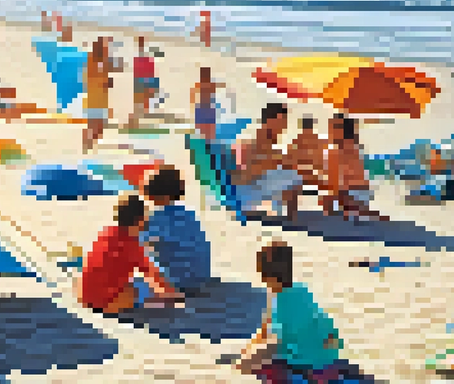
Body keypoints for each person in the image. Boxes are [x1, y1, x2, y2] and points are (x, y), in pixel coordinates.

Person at [234, 240, 349, 383]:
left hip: (306, 357)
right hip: (327, 351)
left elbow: (277, 339)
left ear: (271, 278)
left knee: (247, 364)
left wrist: (251, 353)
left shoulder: (282, 303)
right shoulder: (300, 289)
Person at [76, 194, 184, 314]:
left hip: (84, 296)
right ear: (140, 220)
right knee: (134, 291)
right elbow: (152, 272)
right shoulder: (132, 245)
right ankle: (109, 307)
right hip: (106, 302)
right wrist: (171, 293)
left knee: (129, 281)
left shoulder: (106, 233)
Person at [140, 165, 213, 295]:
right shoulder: (189, 214)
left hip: (179, 282)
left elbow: (136, 244)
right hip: (201, 277)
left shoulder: (156, 218)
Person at [234, 104, 304, 220]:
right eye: (283, 121)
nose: (285, 126)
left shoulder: (266, 135)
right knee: (294, 176)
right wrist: (281, 159)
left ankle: (281, 211)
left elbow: (267, 160)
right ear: (272, 120)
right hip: (244, 188)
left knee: (291, 174)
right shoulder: (259, 135)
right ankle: (289, 216)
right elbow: (250, 169)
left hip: (249, 186)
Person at [325, 115, 382, 221]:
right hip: (364, 193)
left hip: (349, 193)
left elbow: (334, 183)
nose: (330, 132)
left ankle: (356, 209)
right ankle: (360, 209)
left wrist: (330, 202)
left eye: (333, 128)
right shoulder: (357, 147)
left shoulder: (336, 152)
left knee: (330, 202)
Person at [82, 37, 121, 152]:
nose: (106, 51)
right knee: (96, 125)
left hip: (100, 98)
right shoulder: (92, 61)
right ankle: (87, 142)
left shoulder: (101, 62)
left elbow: (114, 68)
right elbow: (91, 78)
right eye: (105, 49)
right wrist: (105, 81)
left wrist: (107, 81)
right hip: (95, 98)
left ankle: (88, 141)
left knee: (99, 126)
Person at [131, 36, 159, 128]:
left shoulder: (142, 59)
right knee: (142, 97)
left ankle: (141, 113)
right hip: (142, 78)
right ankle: (141, 113)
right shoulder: (143, 59)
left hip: (141, 78)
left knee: (141, 97)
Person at [190, 66, 224, 142]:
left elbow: (192, 97)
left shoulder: (199, 85)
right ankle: (209, 147)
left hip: (203, 109)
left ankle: (206, 147)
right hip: (207, 109)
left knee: (203, 134)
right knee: (208, 135)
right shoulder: (210, 85)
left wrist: (194, 106)